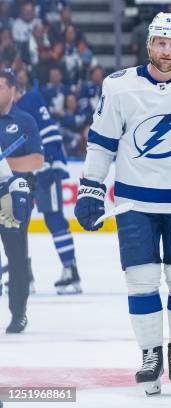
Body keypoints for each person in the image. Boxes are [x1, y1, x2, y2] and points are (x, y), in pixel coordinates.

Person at [74, 13, 171, 396]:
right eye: (160, 43)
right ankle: (150, 354)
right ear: (149, 44)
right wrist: (91, 187)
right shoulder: (119, 87)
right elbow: (102, 142)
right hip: (135, 203)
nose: (166, 50)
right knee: (141, 282)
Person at [15, 73, 80, 294]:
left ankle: (70, 271)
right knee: (17, 222)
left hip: (44, 169)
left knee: (54, 218)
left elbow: (47, 130)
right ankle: (23, 275)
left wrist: (50, 161)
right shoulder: (13, 109)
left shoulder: (30, 100)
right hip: (25, 172)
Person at [0, 69, 43, 333]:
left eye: (2, 86)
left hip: (13, 194)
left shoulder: (25, 121)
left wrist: (4, 164)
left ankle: (18, 313)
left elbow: (37, 161)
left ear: (14, 91)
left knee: (16, 256)